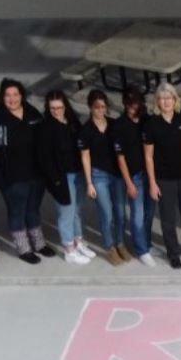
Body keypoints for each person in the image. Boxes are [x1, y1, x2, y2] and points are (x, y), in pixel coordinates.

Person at [0, 79, 47, 263]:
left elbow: (45, 141)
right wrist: (1, 181)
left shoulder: (33, 113)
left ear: (22, 96)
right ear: (1, 97)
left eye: (15, 94)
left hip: (36, 175)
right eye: (7, 95)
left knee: (33, 209)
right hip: (12, 179)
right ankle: (23, 249)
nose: (12, 99)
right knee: (17, 212)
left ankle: (39, 244)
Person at [144, 82, 181, 268]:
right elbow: (148, 156)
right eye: (162, 99)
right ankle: (173, 253)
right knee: (168, 219)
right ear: (157, 101)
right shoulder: (151, 124)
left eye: (169, 98)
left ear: (175, 99)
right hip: (164, 179)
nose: (166, 102)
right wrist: (152, 183)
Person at [37, 89, 92, 264]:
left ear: (65, 106)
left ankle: (78, 241)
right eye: (52, 108)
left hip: (78, 174)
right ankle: (69, 250)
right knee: (66, 213)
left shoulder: (72, 121)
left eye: (59, 107)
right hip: (63, 178)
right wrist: (56, 181)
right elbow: (45, 159)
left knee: (77, 211)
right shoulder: (46, 128)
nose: (56, 111)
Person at [78, 89, 129, 266]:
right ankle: (110, 247)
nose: (100, 110)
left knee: (120, 213)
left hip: (117, 175)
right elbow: (85, 157)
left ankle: (120, 243)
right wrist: (89, 183)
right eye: (96, 107)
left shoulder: (114, 125)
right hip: (98, 176)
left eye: (103, 107)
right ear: (90, 107)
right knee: (106, 214)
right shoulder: (86, 130)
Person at [112, 86, 154, 264]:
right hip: (134, 176)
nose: (131, 106)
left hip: (150, 174)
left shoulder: (147, 120)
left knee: (149, 212)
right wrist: (128, 183)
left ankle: (147, 242)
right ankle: (141, 249)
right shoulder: (119, 125)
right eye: (128, 103)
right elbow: (120, 158)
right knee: (137, 214)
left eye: (135, 103)